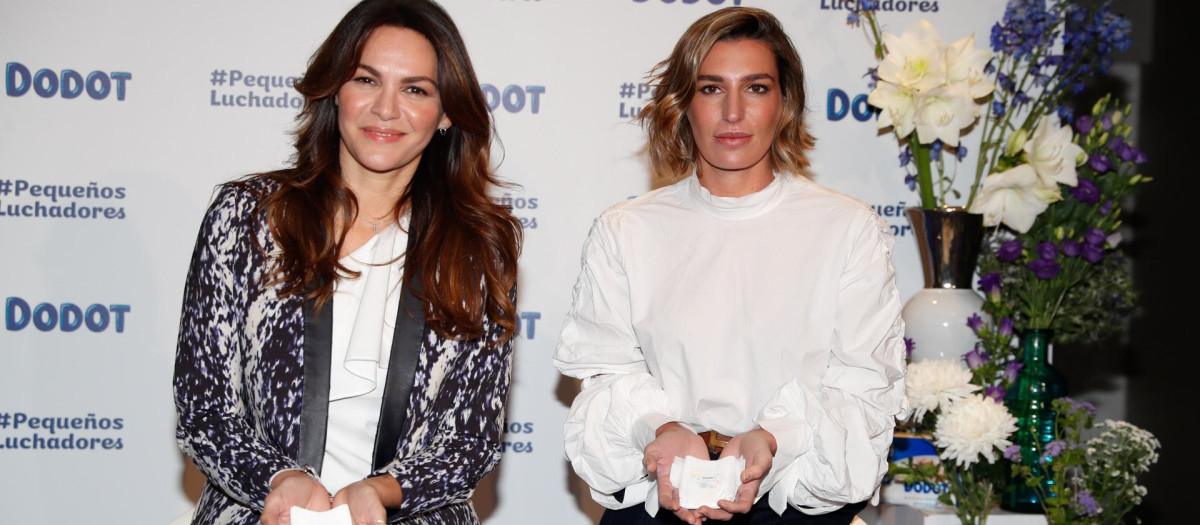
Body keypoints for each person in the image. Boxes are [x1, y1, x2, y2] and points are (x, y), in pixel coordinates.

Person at [555, 7, 908, 525]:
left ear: (784, 103)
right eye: (712, 88)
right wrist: (661, 427)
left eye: (757, 88)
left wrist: (774, 439)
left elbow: (863, 390)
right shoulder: (625, 230)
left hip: (795, 501)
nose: (734, 113)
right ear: (684, 103)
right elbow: (607, 374)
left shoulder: (847, 229)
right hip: (660, 499)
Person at [173, 1, 521, 524]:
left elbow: (471, 441)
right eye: (366, 79)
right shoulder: (249, 218)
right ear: (335, 89)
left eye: (415, 89)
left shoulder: (477, 249)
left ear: (447, 111)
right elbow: (204, 410)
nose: (386, 109)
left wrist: (384, 491)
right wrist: (278, 478)